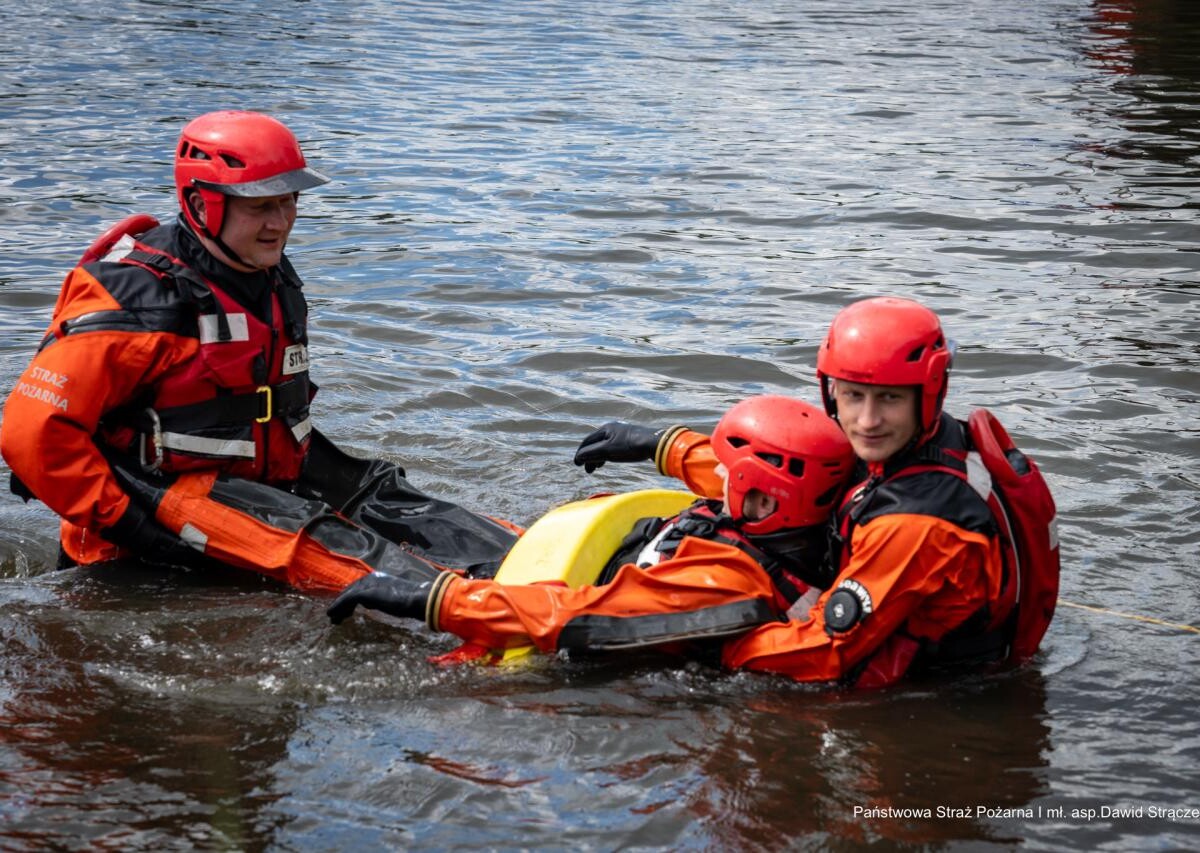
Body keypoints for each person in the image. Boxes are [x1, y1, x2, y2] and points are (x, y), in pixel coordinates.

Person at [0, 110, 518, 592]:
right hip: (145, 536)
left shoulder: (264, 270)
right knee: (372, 583)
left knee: (408, 514)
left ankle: (518, 570)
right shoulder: (139, 298)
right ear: (201, 205)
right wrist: (135, 529)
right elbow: (31, 434)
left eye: (288, 201)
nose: (281, 222)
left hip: (259, 504)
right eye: (260, 206)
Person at [571, 296, 1058, 688]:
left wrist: (711, 643)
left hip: (928, 689)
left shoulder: (917, 522)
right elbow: (792, 478)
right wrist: (666, 447)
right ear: (831, 390)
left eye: (889, 399)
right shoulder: (910, 441)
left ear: (926, 393)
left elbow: (825, 649)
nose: (867, 420)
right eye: (853, 396)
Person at [326, 395, 855, 656]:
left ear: (761, 497)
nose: (715, 476)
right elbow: (747, 474)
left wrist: (437, 601)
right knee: (418, 515)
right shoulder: (795, 516)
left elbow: (574, 614)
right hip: (600, 565)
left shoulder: (718, 583)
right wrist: (661, 445)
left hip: (572, 603)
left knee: (350, 558)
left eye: (726, 471)